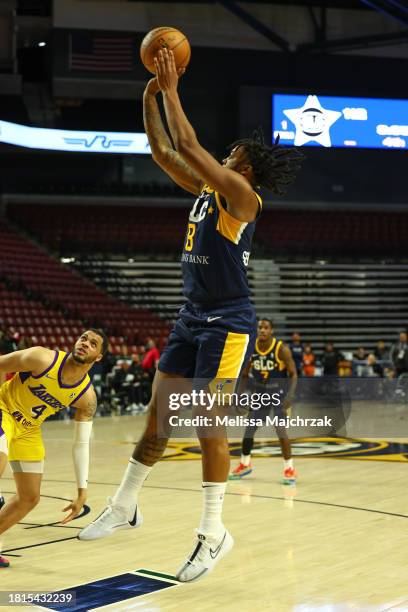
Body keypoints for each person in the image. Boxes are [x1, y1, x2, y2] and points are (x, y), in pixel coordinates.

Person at [78, 48, 303, 582]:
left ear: (244, 165)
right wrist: (150, 94)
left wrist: (173, 86)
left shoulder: (243, 195)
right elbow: (163, 150)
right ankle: (126, 504)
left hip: (228, 321)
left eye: (232, 152)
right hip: (191, 315)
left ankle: (213, 531)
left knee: (207, 424)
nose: (224, 155)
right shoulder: (208, 188)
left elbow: (188, 144)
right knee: (157, 421)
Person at [0, 329, 107, 568]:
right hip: (4, 408)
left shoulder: (86, 397)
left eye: (93, 343)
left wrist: (82, 491)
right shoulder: (41, 358)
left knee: (29, 498)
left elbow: (81, 444)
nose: (84, 344)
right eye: (83, 338)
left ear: (98, 357)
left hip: (29, 428)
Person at [229, 319, 298, 484]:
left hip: (278, 394)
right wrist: (237, 396)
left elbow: (293, 374)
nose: (262, 330)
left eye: (266, 328)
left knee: (280, 430)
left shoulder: (281, 349)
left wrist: (290, 396)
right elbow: (245, 375)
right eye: (260, 327)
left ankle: (289, 468)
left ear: (271, 331)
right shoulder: (251, 348)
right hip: (260, 393)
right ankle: (245, 464)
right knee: (249, 429)